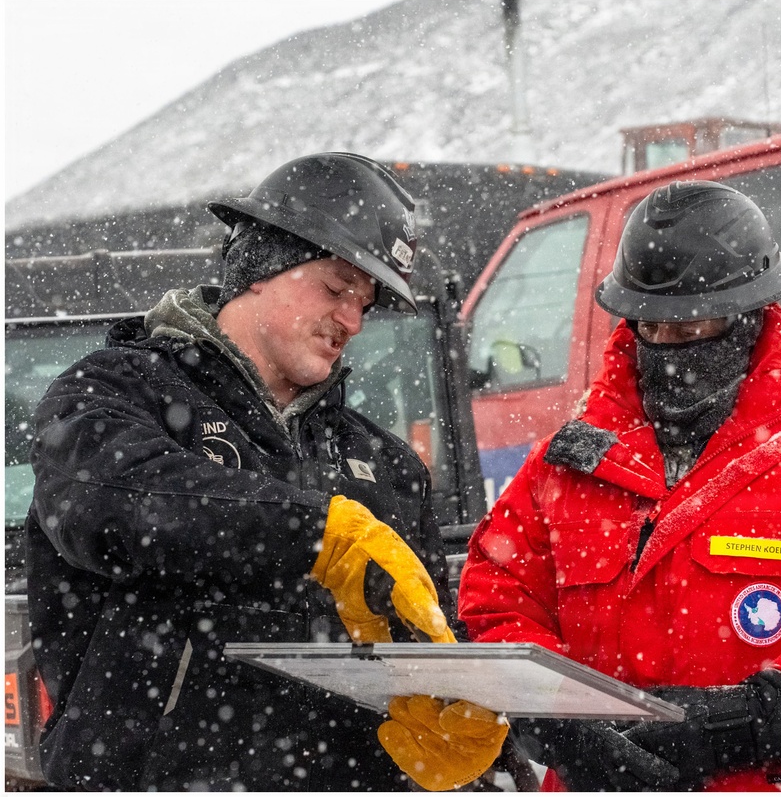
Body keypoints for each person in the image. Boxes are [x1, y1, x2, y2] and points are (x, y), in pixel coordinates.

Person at [25, 152, 502, 791]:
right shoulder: (112, 392)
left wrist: (455, 743)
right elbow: (107, 504)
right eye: (336, 289)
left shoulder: (387, 468)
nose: (352, 322)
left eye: (365, 304)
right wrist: (314, 534)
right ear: (258, 266)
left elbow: (420, 638)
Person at [458, 181, 781, 791]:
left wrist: (761, 718)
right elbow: (494, 600)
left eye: (691, 326)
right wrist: (554, 717)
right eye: (652, 327)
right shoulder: (565, 469)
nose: (668, 348)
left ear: (750, 318)